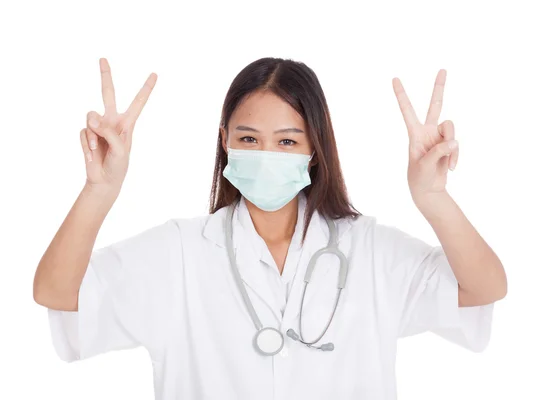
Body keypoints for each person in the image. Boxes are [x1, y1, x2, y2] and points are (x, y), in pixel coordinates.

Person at [33, 57, 507, 400]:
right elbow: (57, 293)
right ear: (225, 141)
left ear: (314, 148)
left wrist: (434, 198)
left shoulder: (369, 250)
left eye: (286, 140)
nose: (266, 155)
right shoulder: (179, 252)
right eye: (248, 139)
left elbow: (484, 287)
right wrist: (99, 191)